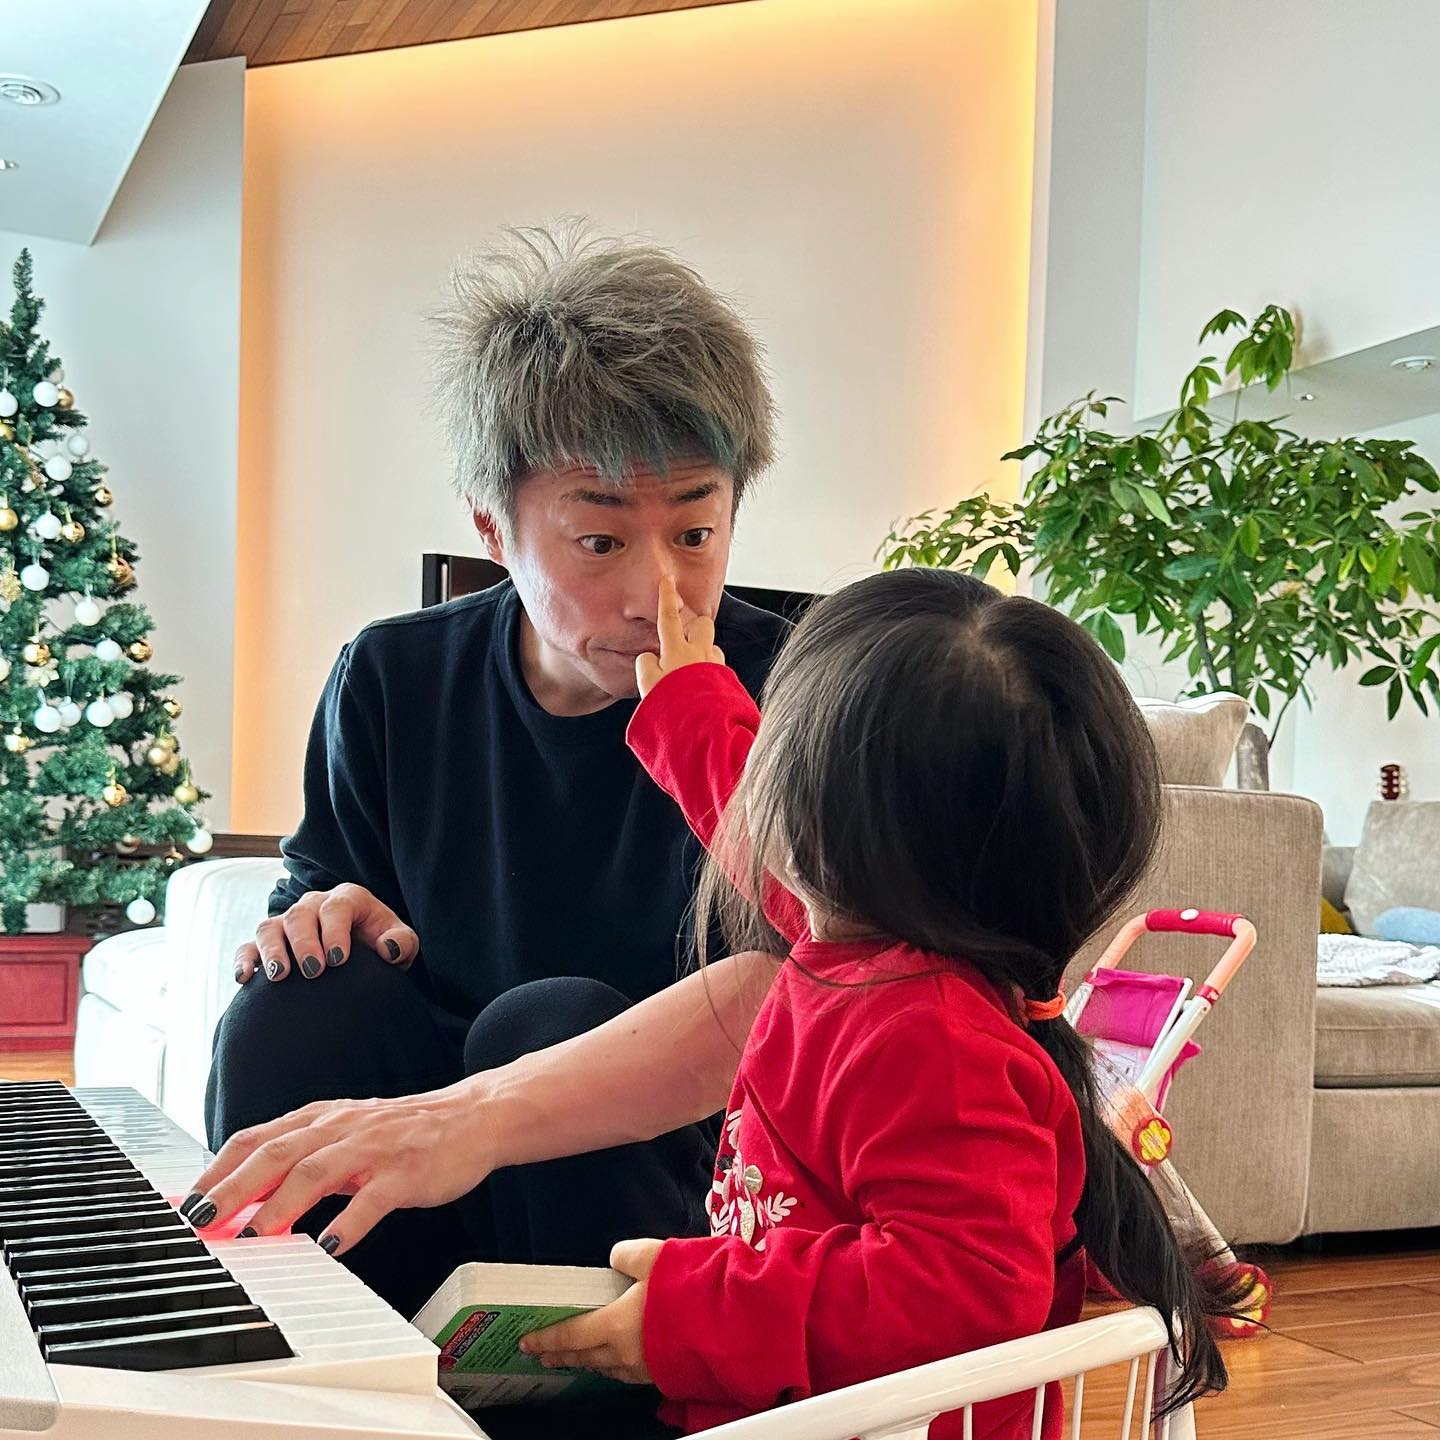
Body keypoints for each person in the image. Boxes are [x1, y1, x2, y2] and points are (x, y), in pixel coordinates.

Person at [195, 223, 791, 1322]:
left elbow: (823, 981)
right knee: (297, 1003)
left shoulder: (792, 693)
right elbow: (322, 888)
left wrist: (702, 720)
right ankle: (296, 1339)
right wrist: (324, 914)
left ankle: (594, 1384)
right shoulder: (394, 676)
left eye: (696, 533)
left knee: (549, 1020)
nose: (657, 596)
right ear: (493, 529)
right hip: (420, 1160)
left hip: (667, 1177)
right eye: (600, 542)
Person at [516, 570, 1242, 1438]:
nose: (755, 792)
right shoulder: (869, 945)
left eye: (776, 753)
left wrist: (696, 1316)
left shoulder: (930, 1040)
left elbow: (965, 1292)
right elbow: (751, 833)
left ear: (823, 825)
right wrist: (691, 703)